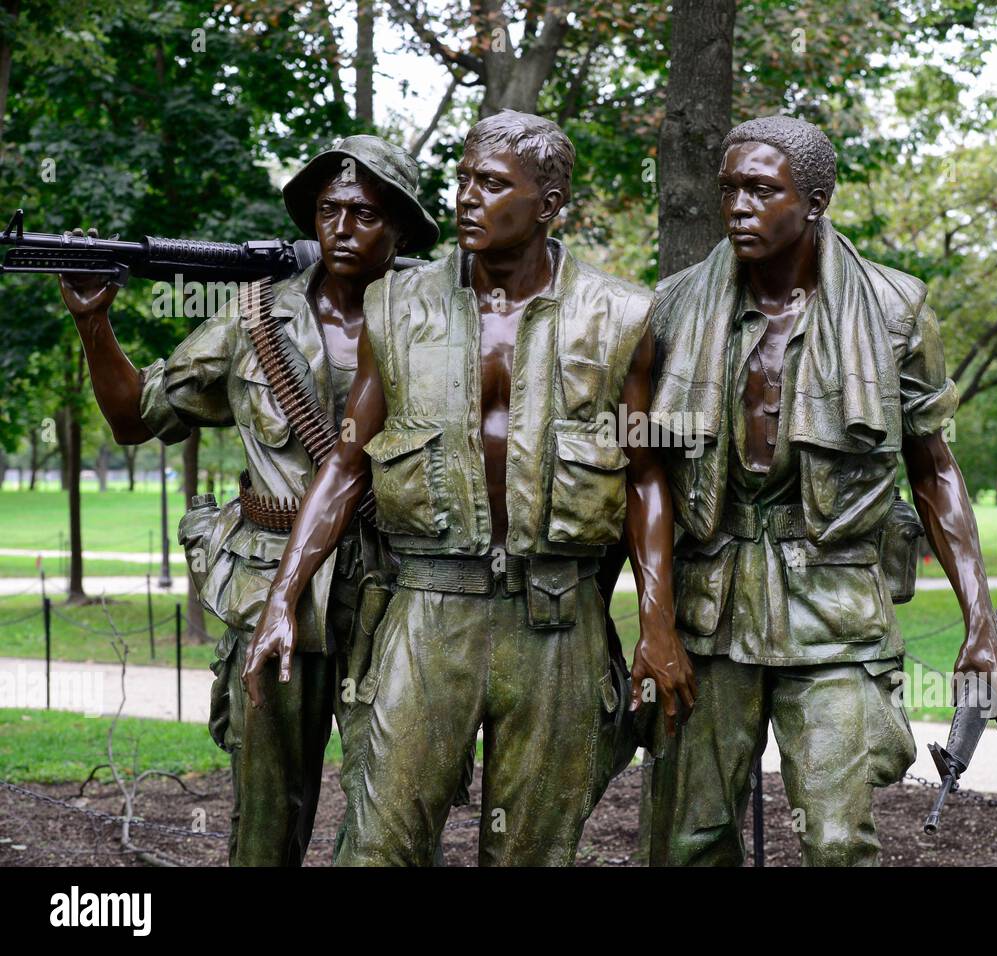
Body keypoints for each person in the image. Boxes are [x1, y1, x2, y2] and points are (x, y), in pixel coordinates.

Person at [242, 111, 697, 866]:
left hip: (555, 618)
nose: (464, 198)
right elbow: (348, 465)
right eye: (461, 180)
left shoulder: (620, 315)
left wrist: (658, 626)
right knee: (378, 846)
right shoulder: (397, 306)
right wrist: (283, 597)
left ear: (549, 204)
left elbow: (647, 479)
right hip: (428, 610)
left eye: (490, 184)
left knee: (530, 853)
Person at [642, 115, 997, 866]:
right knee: (689, 840)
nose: (739, 207)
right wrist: (654, 624)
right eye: (728, 190)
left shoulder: (893, 308)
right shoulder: (673, 306)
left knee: (840, 839)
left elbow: (933, 465)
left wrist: (983, 623)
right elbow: (643, 466)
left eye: (761, 190)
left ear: (813, 201)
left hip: (836, 606)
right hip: (710, 607)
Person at [57, 135, 439, 865]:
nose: (342, 228)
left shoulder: (438, 322)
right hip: (273, 588)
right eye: (328, 210)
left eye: (364, 213)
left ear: (401, 227)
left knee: (396, 813)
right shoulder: (253, 319)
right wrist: (92, 321)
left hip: (397, 588)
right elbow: (135, 417)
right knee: (266, 820)